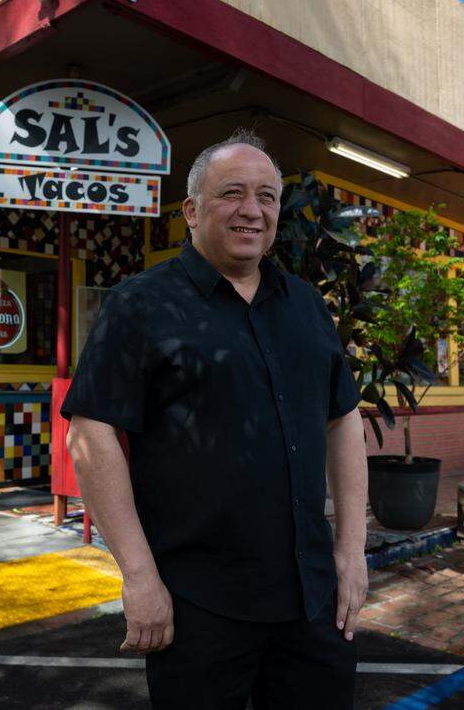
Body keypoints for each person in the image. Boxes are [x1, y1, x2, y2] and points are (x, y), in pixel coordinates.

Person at [62, 129, 369, 709]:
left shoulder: (305, 303)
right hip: (198, 606)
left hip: (312, 602)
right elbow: (92, 432)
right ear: (192, 210)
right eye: (232, 193)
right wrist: (138, 576)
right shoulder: (141, 303)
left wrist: (351, 553)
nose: (252, 210)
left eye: (267, 197)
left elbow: (343, 419)